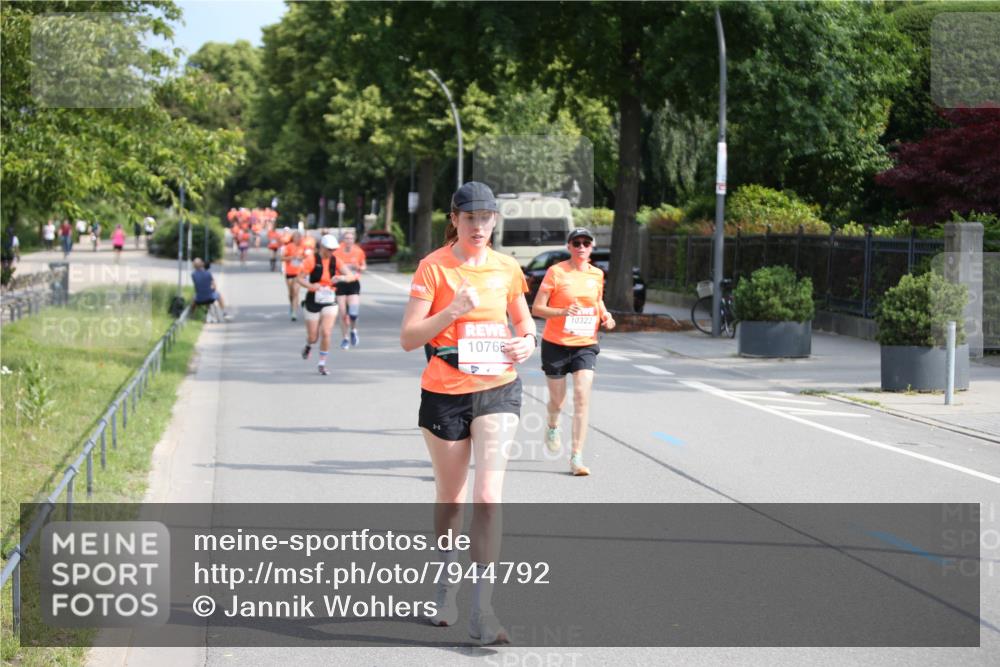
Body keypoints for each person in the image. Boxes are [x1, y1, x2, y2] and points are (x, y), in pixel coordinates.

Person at [400, 181, 536, 645]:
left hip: (498, 388)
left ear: (495, 220)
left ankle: (482, 609)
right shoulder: (433, 269)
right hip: (445, 392)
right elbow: (409, 337)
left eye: (486, 218)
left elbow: (524, 321)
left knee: (488, 495)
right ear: (454, 220)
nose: (479, 226)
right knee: (451, 499)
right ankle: (445, 584)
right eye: (470, 218)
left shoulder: (507, 268)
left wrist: (528, 342)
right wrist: (452, 310)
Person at [530, 227, 615, 476]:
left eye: (585, 243)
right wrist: (562, 312)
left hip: (585, 343)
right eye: (576, 243)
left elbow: (597, 301)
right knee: (558, 400)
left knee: (581, 396)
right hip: (556, 343)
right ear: (569, 247)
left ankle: (576, 457)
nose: (581, 247)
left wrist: (606, 315)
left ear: (591, 248)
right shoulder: (556, 272)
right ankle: (553, 424)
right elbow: (537, 308)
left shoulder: (597, 274)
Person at [297, 234, 356, 375]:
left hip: (329, 300)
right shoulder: (311, 259)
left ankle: (322, 363)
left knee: (326, 332)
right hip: (313, 299)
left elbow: (351, 276)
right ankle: (308, 345)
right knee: (313, 336)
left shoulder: (336, 260)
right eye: (329, 249)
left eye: (333, 249)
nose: (331, 252)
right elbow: (299, 279)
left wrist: (341, 277)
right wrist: (311, 286)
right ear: (322, 247)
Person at [333, 228, 367, 349]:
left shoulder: (359, 251)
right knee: (342, 313)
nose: (349, 240)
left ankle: (353, 330)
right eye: (347, 238)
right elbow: (332, 266)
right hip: (340, 283)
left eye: (351, 238)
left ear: (354, 240)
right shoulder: (337, 252)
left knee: (353, 312)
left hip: (353, 283)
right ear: (343, 239)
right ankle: (345, 338)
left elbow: (364, 267)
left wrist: (358, 267)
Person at [281, 231, 305, 321]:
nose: (298, 239)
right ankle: (292, 305)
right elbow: (282, 258)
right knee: (291, 293)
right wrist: (291, 258)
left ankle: (294, 312)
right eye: (296, 237)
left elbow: (308, 257)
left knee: (296, 292)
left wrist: (301, 258)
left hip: (299, 273)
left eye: (299, 237)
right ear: (293, 238)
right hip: (289, 272)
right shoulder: (288, 246)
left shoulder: (303, 247)